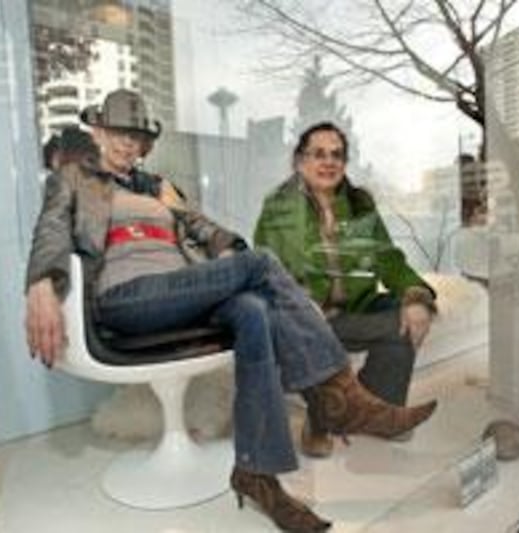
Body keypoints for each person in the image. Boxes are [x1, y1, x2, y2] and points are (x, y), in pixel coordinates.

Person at [24, 90, 437, 532]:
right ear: (99, 132)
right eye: (118, 133)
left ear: (145, 142)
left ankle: (258, 473)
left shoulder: (161, 188)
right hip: (127, 299)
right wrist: (40, 284)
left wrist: (179, 209)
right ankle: (338, 396)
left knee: (252, 309)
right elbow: (50, 231)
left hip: (182, 294)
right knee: (260, 263)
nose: (127, 143)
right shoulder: (74, 178)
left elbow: (215, 237)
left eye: (137, 135)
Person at [254, 122, 438, 458]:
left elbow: (387, 258)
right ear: (299, 161)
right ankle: (323, 415)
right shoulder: (278, 207)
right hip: (309, 317)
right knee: (303, 327)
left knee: (409, 314)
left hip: (357, 309)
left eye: (337, 155)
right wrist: (300, 303)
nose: (329, 162)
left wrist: (415, 295)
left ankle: (369, 406)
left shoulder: (359, 204)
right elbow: (266, 269)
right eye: (318, 154)